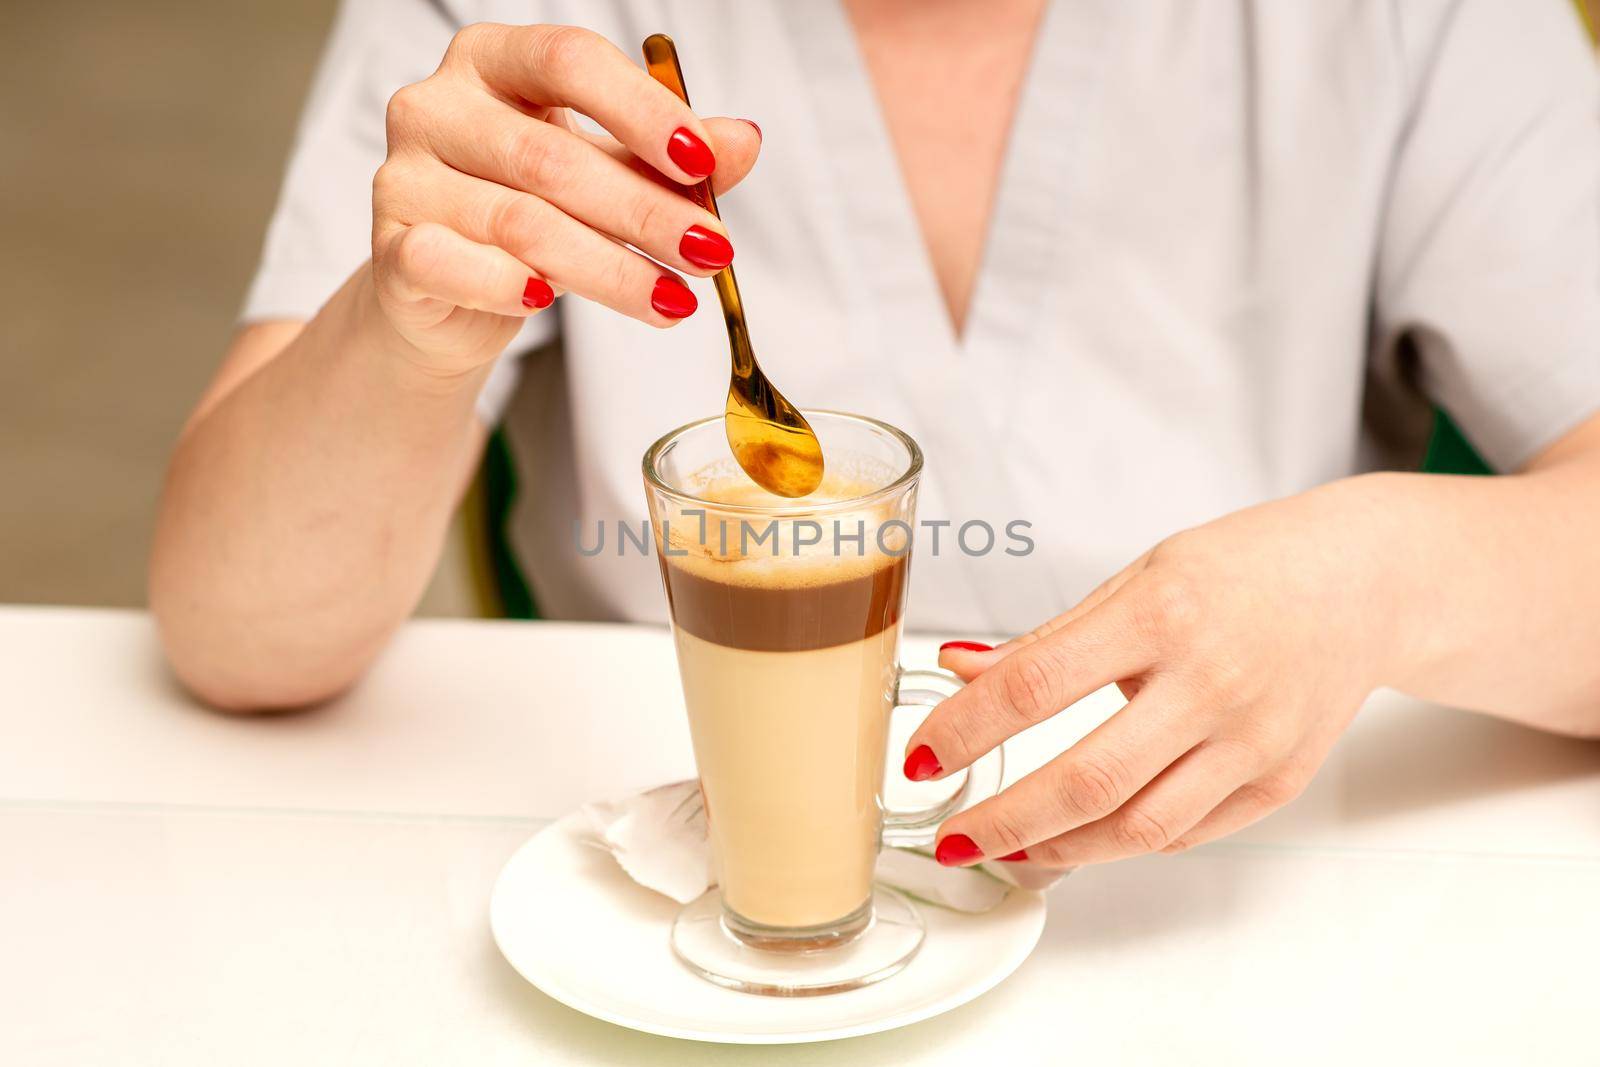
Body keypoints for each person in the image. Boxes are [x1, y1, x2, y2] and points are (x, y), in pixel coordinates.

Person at [150, 0, 1600, 870]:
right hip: (682, 920)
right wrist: (401, 329)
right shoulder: (510, 33)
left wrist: (1380, 572)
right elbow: (240, 638)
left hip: (1232, 895)